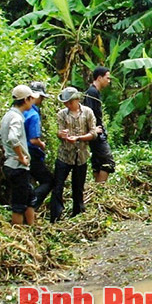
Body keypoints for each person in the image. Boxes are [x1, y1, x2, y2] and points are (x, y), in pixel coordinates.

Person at [51, 87, 97, 222]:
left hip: (81, 155)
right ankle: (55, 216)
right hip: (64, 155)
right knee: (58, 186)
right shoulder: (62, 114)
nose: (68, 105)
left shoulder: (87, 112)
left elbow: (93, 133)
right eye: (66, 103)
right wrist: (62, 134)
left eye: (70, 102)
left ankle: (78, 213)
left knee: (78, 187)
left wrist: (79, 138)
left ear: (77, 100)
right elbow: (59, 132)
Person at [2, 85, 37, 225]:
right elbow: (13, 138)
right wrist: (21, 157)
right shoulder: (16, 118)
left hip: (11, 165)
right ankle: (19, 235)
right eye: (31, 99)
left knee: (30, 198)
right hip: (17, 166)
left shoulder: (8, 116)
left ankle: (32, 229)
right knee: (19, 205)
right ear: (26, 99)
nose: (33, 102)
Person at [24, 82, 53, 209]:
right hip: (31, 153)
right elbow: (33, 140)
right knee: (48, 181)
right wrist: (42, 144)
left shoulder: (20, 111)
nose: (41, 101)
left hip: (19, 153)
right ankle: (31, 206)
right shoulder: (33, 114)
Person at [84, 66, 115, 183]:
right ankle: (100, 189)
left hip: (96, 133)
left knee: (98, 162)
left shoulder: (94, 92)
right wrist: (93, 129)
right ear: (99, 78)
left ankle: (96, 190)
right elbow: (88, 113)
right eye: (107, 78)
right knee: (108, 163)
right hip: (96, 134)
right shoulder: (92, 92)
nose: (109, 81)